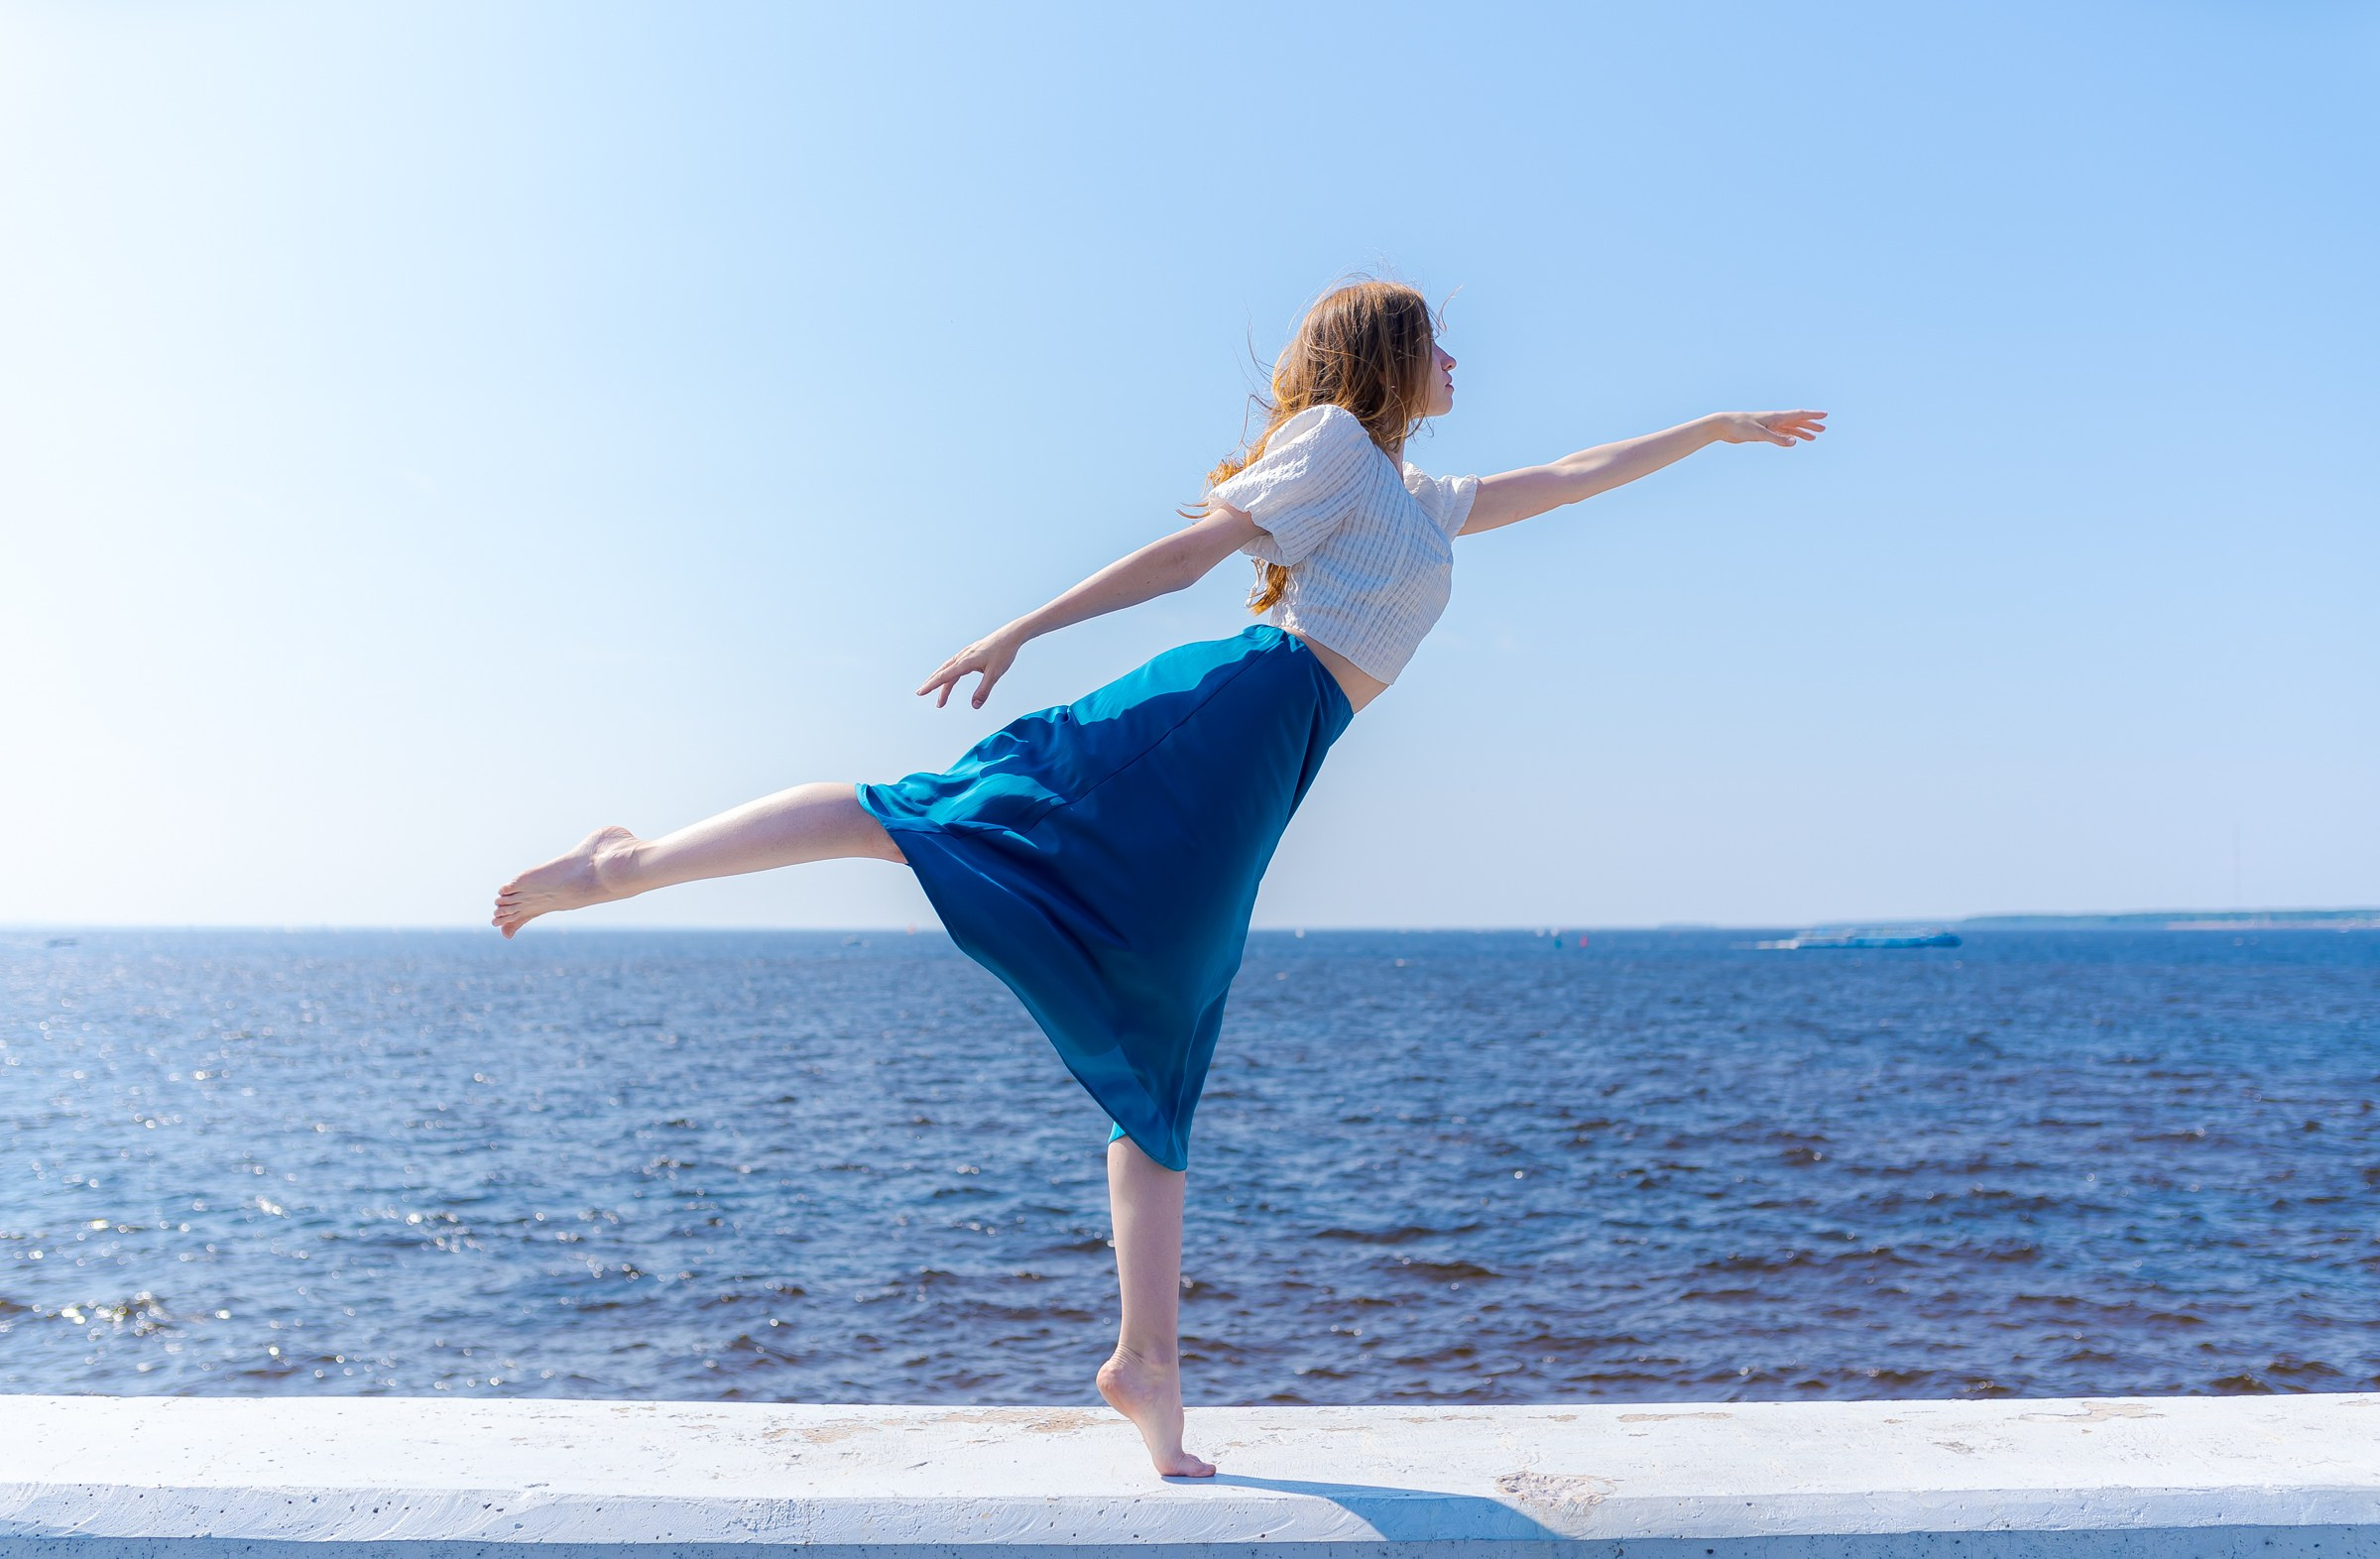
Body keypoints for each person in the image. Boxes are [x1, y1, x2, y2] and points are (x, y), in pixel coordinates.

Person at [491, 279, 1825, 1476]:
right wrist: (1024, 624)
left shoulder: (1425, 501)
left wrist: (1715, 427)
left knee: (1165, 1027)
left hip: (1265, 770)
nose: (1459, 362)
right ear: (1387, 358)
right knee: (931, 820)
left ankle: (1148, 1369)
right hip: (1218, 727)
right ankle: (626, 862)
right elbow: (1193, 554)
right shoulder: (1339, 450)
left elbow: (1578, 472)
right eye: (1439, 344)